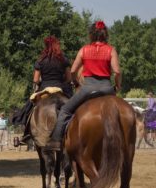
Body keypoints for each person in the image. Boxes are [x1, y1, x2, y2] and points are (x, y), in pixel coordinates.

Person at [47, 20, 121, 151]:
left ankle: (56, 141)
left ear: (91, 34)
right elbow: (117, 72)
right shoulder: (111, 50)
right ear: (105, 34)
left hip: (88, 87)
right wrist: (117, 85)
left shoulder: (84, 50)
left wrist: (75, 82)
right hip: (106, 88)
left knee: (65, 110)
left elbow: (73, 71)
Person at [19, 36, 72, 144]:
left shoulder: (41, 60)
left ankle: (27, 134)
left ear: (46, 46)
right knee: (75, 106)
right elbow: (69, 78)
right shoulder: (63, 59)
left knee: (29, 108)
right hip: (60, 89)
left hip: (44, 89)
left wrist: (39, 83)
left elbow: (35, 79)